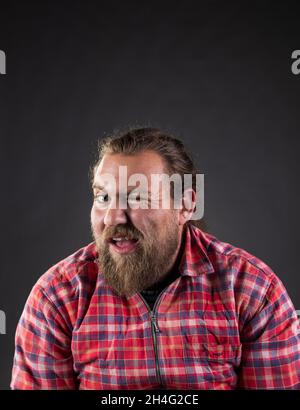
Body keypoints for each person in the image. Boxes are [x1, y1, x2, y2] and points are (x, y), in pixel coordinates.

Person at [11, 127, 300, 390]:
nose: (113, 217)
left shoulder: (253, 290)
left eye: (137, 199)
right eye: (103, 198)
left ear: (186, 206)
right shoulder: (57, 297)